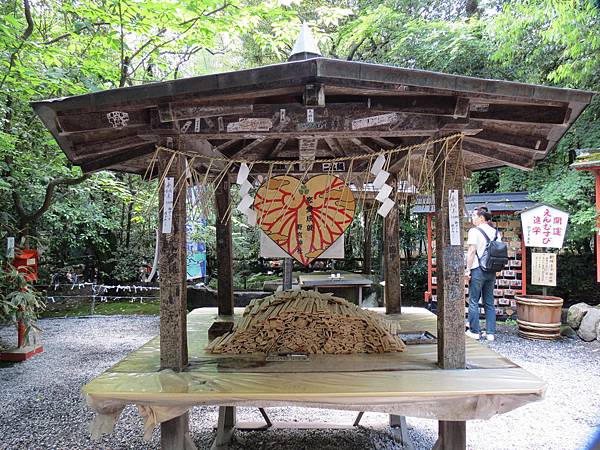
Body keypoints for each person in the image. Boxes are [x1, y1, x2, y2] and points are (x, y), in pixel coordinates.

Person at [464, 206, 501, 341]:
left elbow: (472, 251)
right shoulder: (496, 232)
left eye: (474, 215)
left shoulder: (474, 231)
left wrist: (467, 269)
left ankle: (474, 331)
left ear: (481, 218)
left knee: (473, 300)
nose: (472, 218)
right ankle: (490, 333)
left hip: (477, 269)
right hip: (491, 270)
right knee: (489, 302)